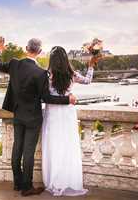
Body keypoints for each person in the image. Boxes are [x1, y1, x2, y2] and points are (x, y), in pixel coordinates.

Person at [0, 37, 77, 197]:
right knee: (28, 152)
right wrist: (68, 99)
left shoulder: (14, 64)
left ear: (26, 48)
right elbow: (47, 98)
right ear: (39, 52)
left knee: (17, 148)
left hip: (17, 114)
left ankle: (17, 183)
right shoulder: (40, 73)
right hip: (33, 117)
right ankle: (27, 187)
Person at [42, 46, 99, 196]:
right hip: (67, 113)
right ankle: (68, 179)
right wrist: (91, 66)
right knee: (68, 145)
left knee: (53, 146)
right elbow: (88, 80)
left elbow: (45, 96)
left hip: (52, 113)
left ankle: (54, 180)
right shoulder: (72, 74)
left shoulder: (47, 75)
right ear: (66, 59)